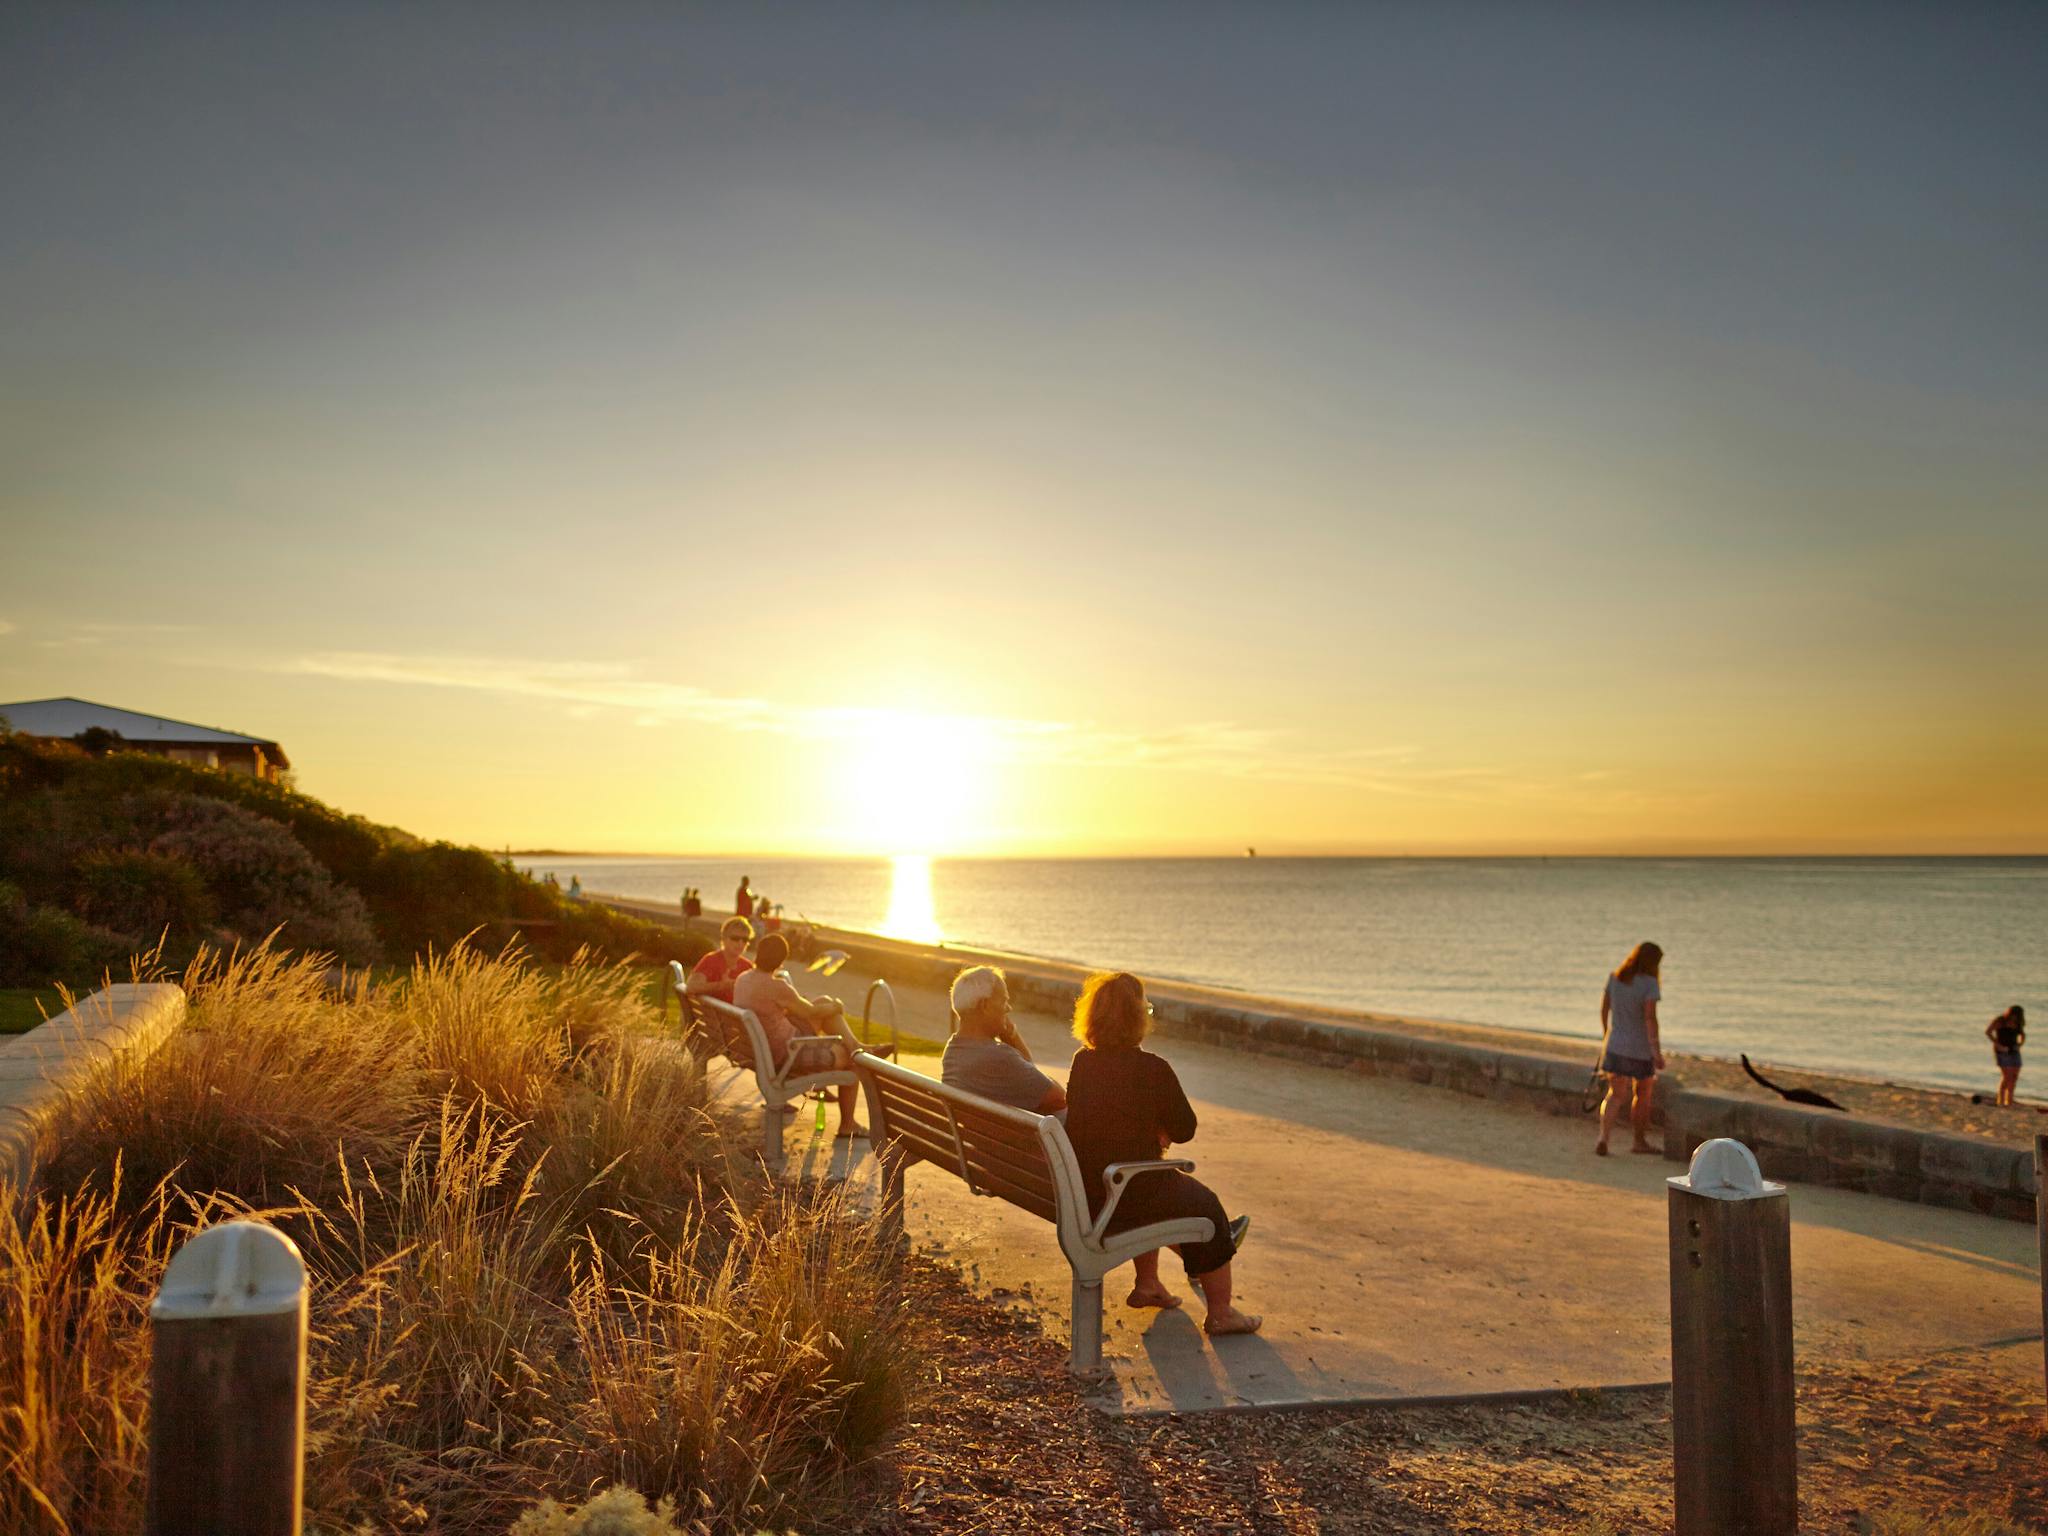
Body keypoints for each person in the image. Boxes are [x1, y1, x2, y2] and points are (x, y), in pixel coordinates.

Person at [1063, 971, 1258, 1337]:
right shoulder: (1153, 1069)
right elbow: (1185, 1129)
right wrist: (1157, 1129)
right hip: (1126, 1192)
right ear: (1138, 1018)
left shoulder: (1083, 1063)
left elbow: (1095, 1119)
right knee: (1208, 1208)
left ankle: (1148, 1283)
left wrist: (1144, 1131)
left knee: (1150, 1177)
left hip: (1089, 1189)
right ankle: (1222, 1312)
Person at [731, 932, 888, 1137]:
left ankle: (858, 1046)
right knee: (852, 1060)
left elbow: (799, 1009)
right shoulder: (777, 986)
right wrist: (837, 1006)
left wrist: (825, 1006)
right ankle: (848, 1123)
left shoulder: (743, 979)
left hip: (763, 1049)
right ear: (781, 961)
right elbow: (810, 1013)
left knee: (822, 1001)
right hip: (788, 1053)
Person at [941, 966, 1067, 1115]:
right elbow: (1059, 1098)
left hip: (979, 1135)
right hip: (1028, 1137)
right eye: (1004, 1001)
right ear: (985, 1006)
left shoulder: (952, 1052)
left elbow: (1030, 1075)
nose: (1008, 1008)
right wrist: (1012, 1037)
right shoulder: (999, 1057)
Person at [1596, 941, 1666, 1157]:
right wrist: (1656, 1052)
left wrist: (1607, 1033)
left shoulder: (1615, 978)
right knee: (1642, 1094)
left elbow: (1604, 1008)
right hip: (1640, 1049)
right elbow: (1650, 1018)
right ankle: (1639, 1141)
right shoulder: (1650, 984)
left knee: (1614, 1095)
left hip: (1615, 1045)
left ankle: (1603, 1138)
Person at [685, 917, 755, 1004]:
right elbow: (691, 987)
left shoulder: (747, 966)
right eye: (735, 938)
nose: (740, 943)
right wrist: (722, 985)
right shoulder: (711, 961)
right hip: (717, 1016)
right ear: (724, 939)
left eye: (745, 940)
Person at [1987, 1005, 2027, 1107]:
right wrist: (1998, 1045)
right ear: (2010, 1013)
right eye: (2014, 1015)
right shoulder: (2000, 1021)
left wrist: (2020, 1045)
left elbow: (2023, 1035)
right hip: (2002, 1051)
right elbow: (1988, 1032)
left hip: (2014, 1051)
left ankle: (2009, 1101)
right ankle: (2001, 1100)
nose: (2015, 1017)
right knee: (2007, 1077)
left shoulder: (2018, 1023)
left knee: (2014, 1077)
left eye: (2017, 1016)